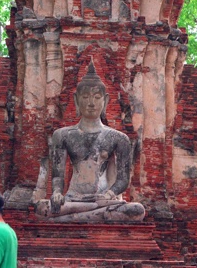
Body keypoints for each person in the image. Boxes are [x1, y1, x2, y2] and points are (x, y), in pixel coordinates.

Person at [34, 60, 145, 222]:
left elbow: (123, 180)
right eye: (85, 97)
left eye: (97, 97)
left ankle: (71, 218)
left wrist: (109, 195)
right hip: (73, 199)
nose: (91, 103)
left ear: (105, 101)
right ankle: (88, 214)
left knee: (137, 210)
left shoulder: (119, 138)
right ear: (76, 99)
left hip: (103, 199)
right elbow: (58, 176)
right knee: (41, 208)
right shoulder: (62, 135)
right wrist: (57, 193)